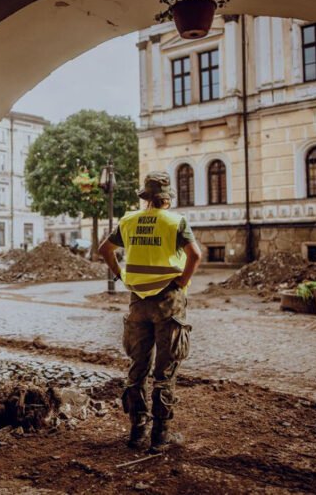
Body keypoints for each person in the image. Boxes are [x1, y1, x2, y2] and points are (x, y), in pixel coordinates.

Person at [98, 171, 202, 453]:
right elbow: (195, 255)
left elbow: (104, 249)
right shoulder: (175, 222)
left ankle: (136, 431)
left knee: (137, 369)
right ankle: (160, 436)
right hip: (168, 301)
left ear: (145, 197)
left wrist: (119, 274)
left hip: (137, 303)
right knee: (164, 371)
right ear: (166, 199)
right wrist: (181, 282)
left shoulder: (129, 220)